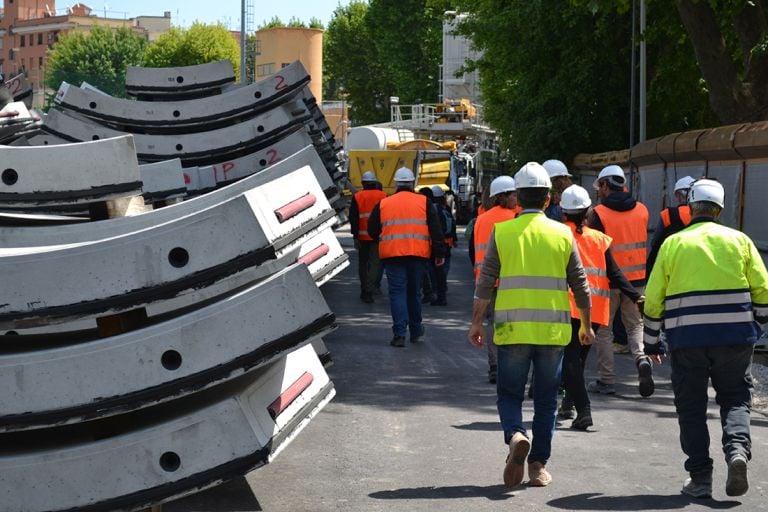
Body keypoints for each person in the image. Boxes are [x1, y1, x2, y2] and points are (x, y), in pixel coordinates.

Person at [468, 162, 594, 488]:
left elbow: (485, 282)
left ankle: (515, 435)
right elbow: (580, 284)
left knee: (509, 394)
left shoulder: (503, 232)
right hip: (553, 332)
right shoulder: (563, 233)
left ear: (519, 198)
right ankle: (538, 465)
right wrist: (586, 325)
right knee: (547, 400)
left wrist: (477, 323)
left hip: (512, 330)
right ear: (549, 199)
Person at [643, 179, 768, 499]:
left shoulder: (674, 244)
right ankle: (738, 451)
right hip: (735, 337)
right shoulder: (740, 241)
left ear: (691, 208)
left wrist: (652, 341)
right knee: (736, 396)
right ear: (720, 209)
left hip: (687, 339)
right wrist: (760, 324)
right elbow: (763, 290)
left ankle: (700, 477)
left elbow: (654, 298)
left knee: (691, 406)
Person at [558, 185, 642, 430]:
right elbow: (615, 273)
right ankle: (568, 403)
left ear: (563, 212)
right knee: (579, 359)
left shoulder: (559, 234)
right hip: (595, 310)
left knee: (570, 360)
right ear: (588, 212)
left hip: (567, 307)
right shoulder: (599, 239)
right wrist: (635, 296)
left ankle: (583, 410)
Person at [587, 164, 654, 397]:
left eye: (600, 186)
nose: (598, 191)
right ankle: (642, 359)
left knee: (605, 332)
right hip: (637, 282)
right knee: (635, 325)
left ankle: (607, 380)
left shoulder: (598, 214)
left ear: (606, 185)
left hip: (608, 283)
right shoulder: (643, 210)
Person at [368, 167, 445, 347]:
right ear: (412, 183)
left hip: (393, 255)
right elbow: (436, 229)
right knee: (414, 293)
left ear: (396, 183)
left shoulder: (384, 203)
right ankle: (416, 330)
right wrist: (439, 252)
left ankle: (399, 334)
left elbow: (372, 230)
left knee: (397, 294)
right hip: (418, 255)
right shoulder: (424, 202)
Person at [468, 175, 520, 384]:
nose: (516, 198)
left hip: (486, 280)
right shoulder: (514, 217)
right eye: (513, 194)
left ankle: (495, 366)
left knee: (493, 324)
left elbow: (473, 251)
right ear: (502, 197)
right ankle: (511, 365)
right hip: (509, 278)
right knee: (512, 324)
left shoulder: (481, 218)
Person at [349, 171, 387, 303]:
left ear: (363, 183)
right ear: (375, 182)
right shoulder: (383, 196)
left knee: (363, 264)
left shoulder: (358, 196)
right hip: (377, 236)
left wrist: (355, 236)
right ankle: (369, 289)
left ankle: (364, 288)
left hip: (362, 237)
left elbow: (353, 218)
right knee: (375, 264)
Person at [646, 175, 695, 275]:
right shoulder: (700, 214)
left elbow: (655, 242)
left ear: (677, 195)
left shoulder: (667, 214)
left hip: (672, 263)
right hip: (695, 263)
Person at [430, 185, 457, 306]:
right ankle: (442, 287)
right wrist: (454, 239)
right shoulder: (445, 210)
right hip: (447, 243)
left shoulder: (433, 210)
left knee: (436, 270)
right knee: (443, 268)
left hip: (437, 244)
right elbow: (453, 225)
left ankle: (439, 291)